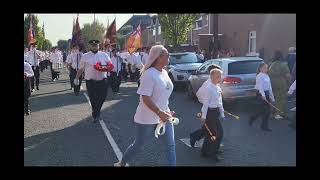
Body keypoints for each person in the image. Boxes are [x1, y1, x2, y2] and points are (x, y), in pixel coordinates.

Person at [114, 45, 176, 166]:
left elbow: (163, 95)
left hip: (164, 116)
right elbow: (145, 98)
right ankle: (122, 163)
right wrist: (159, 112)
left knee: (170, 145)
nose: (169, 57)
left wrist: (166, 111)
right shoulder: (149, 74)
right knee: (138, 145)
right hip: (146, 117)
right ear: (158, 57)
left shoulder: (164, 72)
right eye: (166, 55)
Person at [189, 68, 225, 162]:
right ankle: (212, 154)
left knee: (214, 132)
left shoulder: (217, 87)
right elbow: (205, 103)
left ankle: (201, 145)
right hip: (209, 113)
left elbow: (220, 102)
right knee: (214, 134)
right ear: (212, 77)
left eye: (220, 76)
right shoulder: (209, 88)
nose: (220, 78)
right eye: (218, 76)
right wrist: (203, 116)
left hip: (215, 112)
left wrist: (222, 113)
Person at [74, 40, 113, 123]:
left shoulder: (104, 55)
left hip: (102, 80)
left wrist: (108, 69)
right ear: (90, 46)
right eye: (93, 45)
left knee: (102, 97)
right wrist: (76, 78)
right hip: (91, 81)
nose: (95, 46)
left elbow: (110, 65)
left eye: (96, 45)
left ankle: (97, 111)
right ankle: (96, 114)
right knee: (93, 98)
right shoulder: (85, 56)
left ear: (99, 46)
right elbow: (81, 69)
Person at [249, 62, 275, 131]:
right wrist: (263, 95)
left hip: (266, 93)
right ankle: (264, 126)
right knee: (266, 110)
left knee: (264, 110)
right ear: (260, 69)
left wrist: (272, 97)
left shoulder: (267, 76)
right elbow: (260, 87)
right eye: (264, 68)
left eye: (266, 68)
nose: (266, 69)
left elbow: (269, 87)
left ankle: (253, 118)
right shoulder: (259, 76)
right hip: (260, 93)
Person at [268, 51, 291, 120]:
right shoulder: (283, 64)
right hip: (281, 83)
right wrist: (290, 83)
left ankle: (271, 113)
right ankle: (278, 114)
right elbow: (287, 75)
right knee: (280, 99)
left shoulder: (271, 64)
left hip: (271, 83)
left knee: (272, 98)